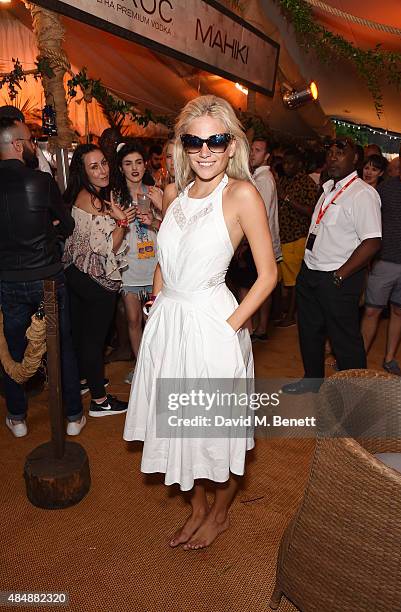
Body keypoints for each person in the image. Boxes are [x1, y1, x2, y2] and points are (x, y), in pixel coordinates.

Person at [124, 95, 277, 549]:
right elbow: (165, 258)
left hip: (214, 325)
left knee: (213, 430)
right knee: (177, 425)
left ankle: (221, 512)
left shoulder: (241, 194)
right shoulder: (174, 194)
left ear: (232, 146)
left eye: (216, 140)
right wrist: (156, 299)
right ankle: (196, 508)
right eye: (195, 141)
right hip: (169, 323)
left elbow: (268, 276)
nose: (205, 150)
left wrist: (229, 327)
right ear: (183, 147)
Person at [0, 117, 85, 437]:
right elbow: (68, 226)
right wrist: (46, 232)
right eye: (31, 140)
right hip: (47, 279)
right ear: (18, 145)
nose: (34, 145)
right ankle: (74, 415)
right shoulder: (41, 182)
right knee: (60, 345)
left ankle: (18, 416)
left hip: (7, 281)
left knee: (12, 349)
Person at [283, 138, 382, 394]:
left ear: (356, 160)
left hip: (337, 277)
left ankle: (354, 396)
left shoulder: (363, 194)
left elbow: (372, 242)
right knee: (309, 331)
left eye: (342, 152)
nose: (334, 156)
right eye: (331, 152)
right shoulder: (328, 188)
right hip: (310, 271)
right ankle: (312, 380)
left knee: (344, 341)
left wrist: (340, 275)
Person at [63, 144, 136, 416]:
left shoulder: (85, 196)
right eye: (94, 166)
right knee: (94, 340)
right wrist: (121, 223)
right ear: (83, 172)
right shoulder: (93, 200)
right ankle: (100, 401)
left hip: (76, 273)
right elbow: (108, 248)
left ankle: (86, 380)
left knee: (83, 336)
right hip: (94, 280)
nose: (102, 170)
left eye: (104, 163)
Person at [112, 141, 161, 384]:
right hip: (129, 266)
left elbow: (170, 230)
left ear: (145, 165)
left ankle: (155, 367)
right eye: (128, 163)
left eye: (138, 162)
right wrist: (121, 220)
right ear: (120, 168)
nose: (134, 168)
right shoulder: (115, 197)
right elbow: (107, 235)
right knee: (133, 320)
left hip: (154, 266)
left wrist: (152, 220)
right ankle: (141, 367)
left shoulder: (156, 193)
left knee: (152, 320)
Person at [361, 138, 401, 377]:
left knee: (400, 311)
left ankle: (389, 359)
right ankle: (359, 357)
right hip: (385, 261)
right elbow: (370, 223)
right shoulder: (386, 189)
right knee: (372, 311)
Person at [277, 147, 318, 327]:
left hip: (296, 237)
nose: (286, 166)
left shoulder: (307, 183)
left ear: (299, 164)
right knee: (283, 280)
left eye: (290, 163)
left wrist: (286, 199)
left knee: (293, 281)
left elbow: (311, 211)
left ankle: (290, 316)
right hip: (283, 237)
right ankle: (283, 311)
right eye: (284, 163)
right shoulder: (285, 180)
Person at [249, 137, 282, 340]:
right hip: (263, 241)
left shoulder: (264, 179)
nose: (253, 153)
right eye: (251, 149)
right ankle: (259, 326)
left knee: (262, 284)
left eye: (258, 150)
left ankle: (261, 327)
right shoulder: (258, 177)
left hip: (263, 242)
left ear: (267, 156)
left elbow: (259, 216)